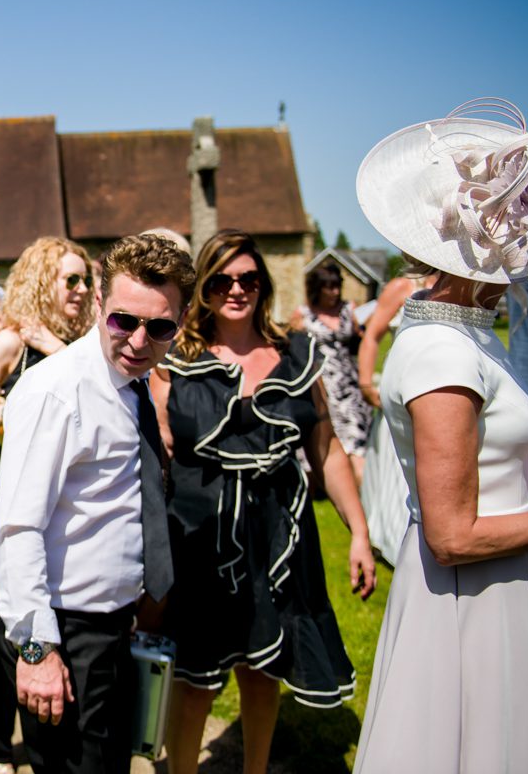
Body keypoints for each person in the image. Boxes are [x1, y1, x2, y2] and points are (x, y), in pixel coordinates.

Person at [153, 229, 375, 774]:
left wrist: (361, 534)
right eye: (223, 279)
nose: (236, 290)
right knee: (196, 677)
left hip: (281, 530)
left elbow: (327, 453)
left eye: (248, 278)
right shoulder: (172, 359)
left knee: (264, 667)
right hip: (199, 535)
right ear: (203, 286)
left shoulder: (298, 355)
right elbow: (156, 459)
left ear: (263, 284)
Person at [352, 100, 528, 772]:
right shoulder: (441, 352)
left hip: (510, 586)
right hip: (471, 603)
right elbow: (452, 536)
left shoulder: (478, 338)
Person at [0, 234, 193, 773]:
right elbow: (17, 529)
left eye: (160, 327)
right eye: (124, 320)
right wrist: (36, 651)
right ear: (100, 305)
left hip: (115, 626)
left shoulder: (133, 381)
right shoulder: (55, 391)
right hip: (66, 634)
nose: (138, 340)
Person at [0, 237, 96, 774]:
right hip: (10, 502)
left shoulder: (87, 346)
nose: (80, 290)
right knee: (9, 624)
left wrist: (59, 350)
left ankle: (37, 735)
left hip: (69, 510)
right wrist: (12, 408)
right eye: (69, 279)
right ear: (40, 281)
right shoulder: (12, 343)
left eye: (85, 280)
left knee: (37, 624)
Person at [355, 272, 436, 565]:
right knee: (398, 474)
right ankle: (394, 542)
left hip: (439, 393)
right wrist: (366, 384)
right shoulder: (404, 286)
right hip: (402, 394)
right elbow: (372, 333)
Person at [289, 263, 371, 485]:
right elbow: (292, 348)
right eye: (329, 287)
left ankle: (361, 496)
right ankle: (316, 488)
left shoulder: (348, 309)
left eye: (337, 286)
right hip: (320, 386)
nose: (334, 291)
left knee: (356, 441)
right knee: (319, 439)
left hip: (348, 387)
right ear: (318, 288)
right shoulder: (303, 314)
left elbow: (362, 342)